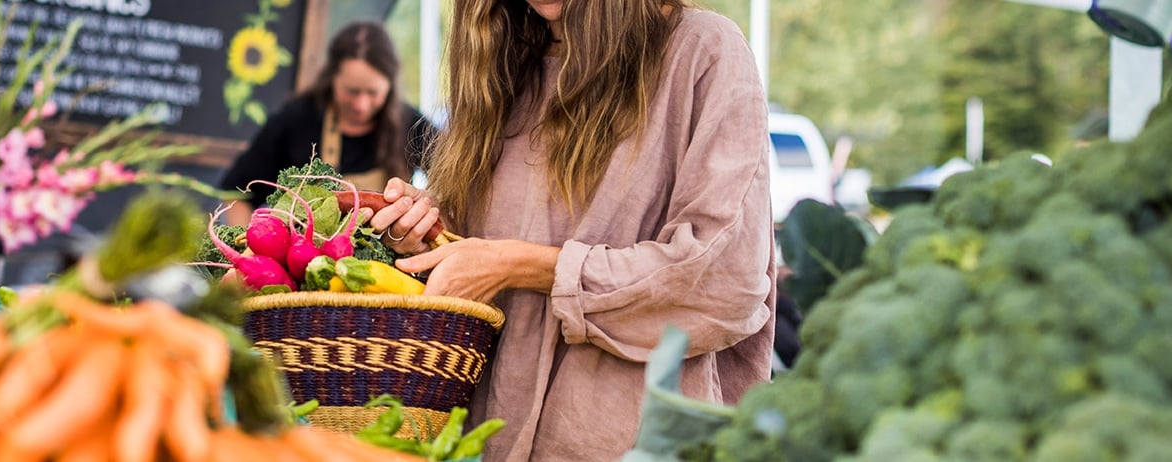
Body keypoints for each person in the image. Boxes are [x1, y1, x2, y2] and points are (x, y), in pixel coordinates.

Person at [361, 0, 777, 460]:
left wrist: (526, 265)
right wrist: (426, 236)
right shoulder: (505, 60)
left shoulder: (701, 50)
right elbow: (477, 258)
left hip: (632, 441)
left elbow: (722, 281)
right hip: (492, 437)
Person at [219, 21, 436, 226]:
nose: (361, 105)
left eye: (373, 93)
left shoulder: (412, 125)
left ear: (390, 86)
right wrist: (249, 251)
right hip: (302, 262)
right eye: (351, 91)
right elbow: (236, 195)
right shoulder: (297, 119)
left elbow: (458, 185)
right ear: (332, 77)